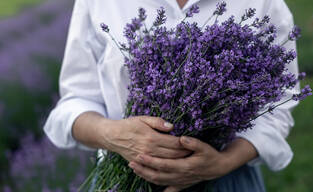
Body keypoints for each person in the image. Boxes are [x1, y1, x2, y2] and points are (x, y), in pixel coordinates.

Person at [44, 0, 300, 191]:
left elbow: (277, 107)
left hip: (224, 180)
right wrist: (112, 134)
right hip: (124, 180)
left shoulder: (265, 3)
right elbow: (76, 102)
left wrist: (223, 161)